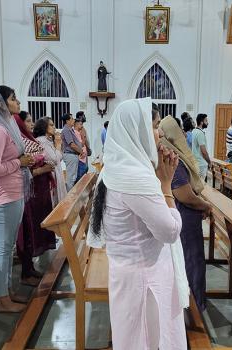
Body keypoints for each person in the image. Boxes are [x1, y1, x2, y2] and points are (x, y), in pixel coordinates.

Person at [87, 99, 188, 349]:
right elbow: (170, 231)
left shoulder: (116, 168)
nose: (160, 132)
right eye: (155, 125)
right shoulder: (137, 180)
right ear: (136, 130)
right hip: (146, 279)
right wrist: (166, 187)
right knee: (151, 339)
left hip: (126, 272)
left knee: (132, 338)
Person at [0, 85, 35, 313]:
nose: (18, 102)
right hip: (2, 194)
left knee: (9, 245)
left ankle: (6, 291)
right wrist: (19, 163)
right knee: (3, 247)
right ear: (1, 104)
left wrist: (22, 161)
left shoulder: (6, 126)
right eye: (14, 99)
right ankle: (1, 299)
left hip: (13, 191)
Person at [160, 115, 211, 313]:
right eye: (179, 130)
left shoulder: (168, 153)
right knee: (192, 259)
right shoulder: (173, 157)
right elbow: (185, 195)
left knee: (188, 259)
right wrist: (205, 206)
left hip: (181, 215)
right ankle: (196, 306)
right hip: (184, 217)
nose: (182, 133)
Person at [14, 111, 56, 286]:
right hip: (30, 191)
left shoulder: (29, 139)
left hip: (40, 189)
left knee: (37, 225)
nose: (31, 124)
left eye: (32, 121)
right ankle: (26, 270)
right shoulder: (18, 142)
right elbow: (25, 168)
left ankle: (29, 267)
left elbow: (49, 160)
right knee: (29, 229)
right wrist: (43, 168)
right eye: (28, 121)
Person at [34, 117, 67, 207]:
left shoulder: (47, 140)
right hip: (50, 175)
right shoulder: (42, 141)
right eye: (51, 125)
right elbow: (55, 159)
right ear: (44, 127)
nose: (54, 127)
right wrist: (58, 144)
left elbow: (58, 157)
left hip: (55, 172)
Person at [61, 113, 84, 191]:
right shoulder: (66, 130)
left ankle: (71, 196)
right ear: (67, 121)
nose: (73, 120)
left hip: (73, 155)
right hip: (70, 154)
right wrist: (81, 151)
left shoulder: (70, 129)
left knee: (73, 177)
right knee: (70, 178)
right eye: (72, 119)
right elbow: (72, 144)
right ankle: (69, 198)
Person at [192, 113, 211, 179]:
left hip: (195, 162)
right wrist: (209, 162)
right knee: (201, 186)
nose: (207, 123)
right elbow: (203, 151)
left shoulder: (194, 131)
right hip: (201, 164)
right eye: (206, 121)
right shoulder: (200, 133)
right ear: (201, 122)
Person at [74, 112, 89, 183]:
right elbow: (82, 143)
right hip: (81, 156)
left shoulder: (81, 129)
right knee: (80, 176)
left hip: (84, 155)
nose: (85, 117)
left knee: (85, 172)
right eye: (83, 116)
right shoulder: (76, 131)